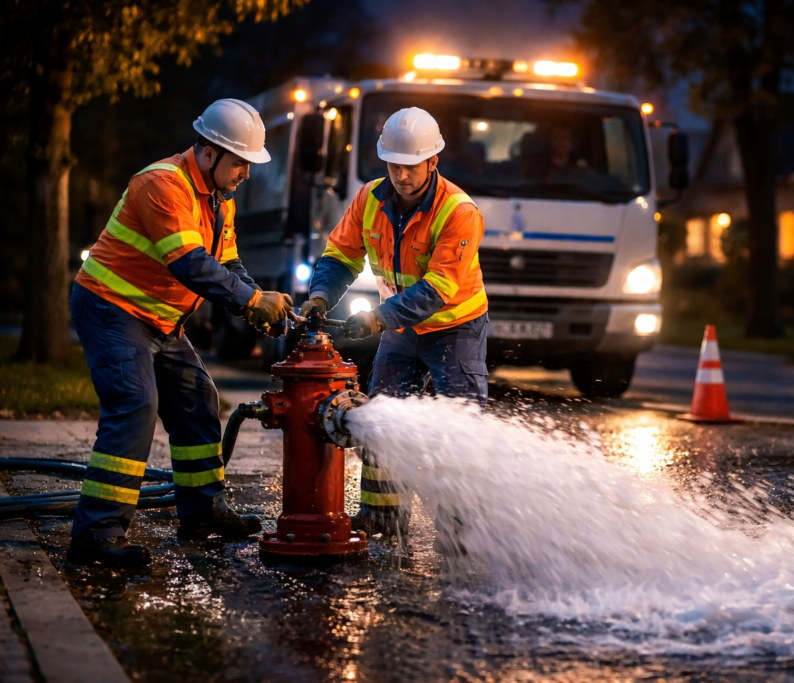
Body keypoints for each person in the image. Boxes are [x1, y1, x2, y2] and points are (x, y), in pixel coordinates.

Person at [68, 99, 294, 567]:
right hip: (112, 309)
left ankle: (203, 514)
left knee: (197, 401)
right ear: (209, 153)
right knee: (135, 405)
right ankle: (96, 537)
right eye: (240, 163)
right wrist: (253, 302)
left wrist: (257, 301)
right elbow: (189, 263)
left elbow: (226, 262)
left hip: (159, 318)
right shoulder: (161, 184)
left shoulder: (217, 198)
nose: (245, 175)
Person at [300, 107, 488, 536]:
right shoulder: (369, 198)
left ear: (432, 162)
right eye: (393, 165)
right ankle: (382, 517)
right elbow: (340, 255)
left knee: (460, 430)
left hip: (455, 329)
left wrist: (379, 318)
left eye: (410, 167)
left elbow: (438, 289)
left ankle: (461, 531)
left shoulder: (460, 211)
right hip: (401, 330)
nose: (401, 175)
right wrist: (319, 296)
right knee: (381, 420)